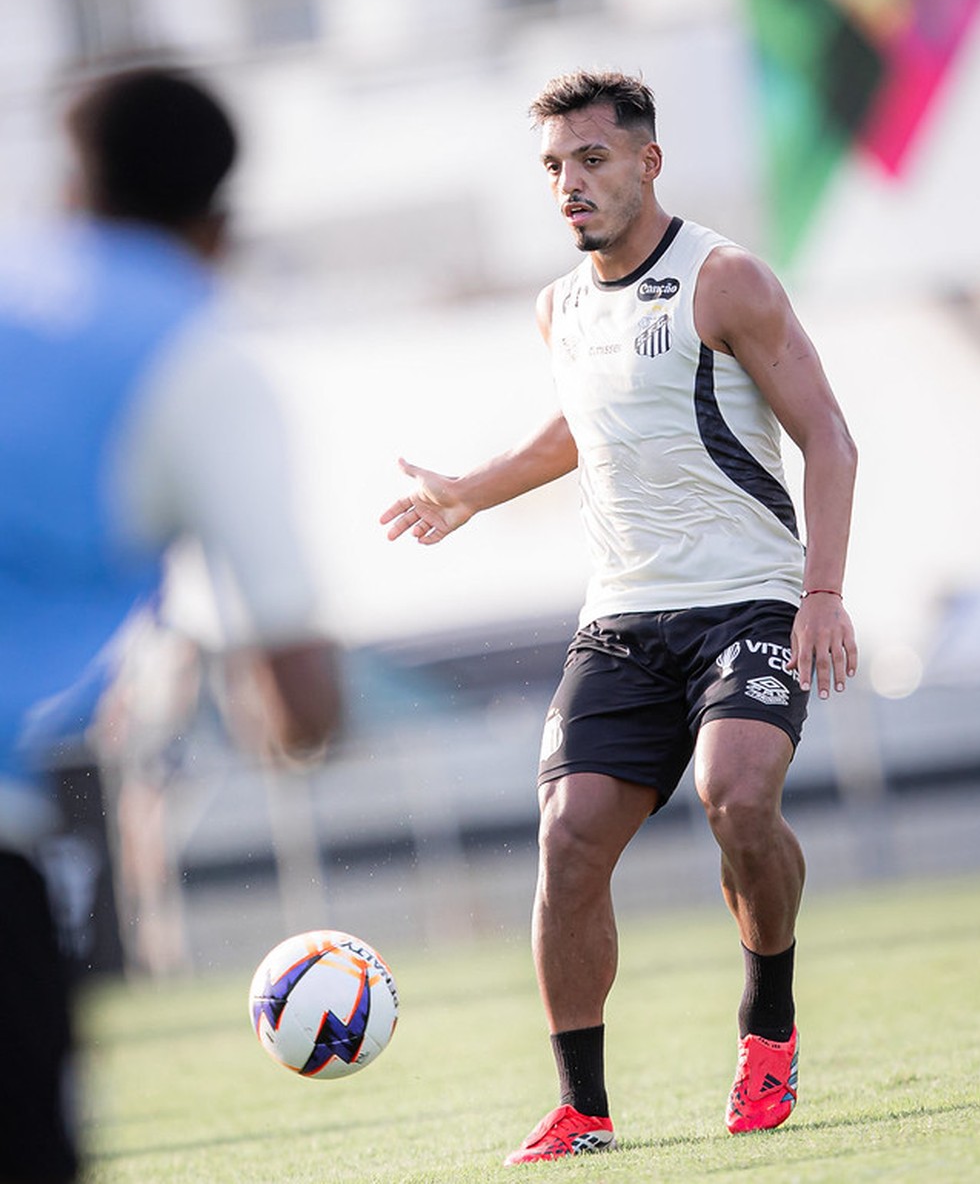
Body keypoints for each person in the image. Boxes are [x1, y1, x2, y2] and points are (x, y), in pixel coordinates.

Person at [380, 69, 857, 1163]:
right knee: (568, 838)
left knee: (734, 799)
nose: (570, 186)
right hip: (624, 620)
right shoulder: (558, 306)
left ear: (648, 161)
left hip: (750, 599)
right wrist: (467, 488)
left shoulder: (725, 278)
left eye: (591, 160)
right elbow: (581, 426)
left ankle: (767, 1026)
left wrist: (822, 592)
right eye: (553, 167)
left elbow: (829, 436)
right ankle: (583, 1109)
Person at [0, 65, 341, 1183]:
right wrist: (280, 724)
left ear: (69, 191)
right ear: (219, 225)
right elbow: (302, 705)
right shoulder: (198, 361)